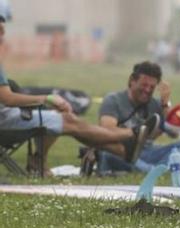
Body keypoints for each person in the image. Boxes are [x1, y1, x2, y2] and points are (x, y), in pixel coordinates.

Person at [0, 13, 153, 174]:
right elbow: (7, 98)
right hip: (5, 122)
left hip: (7, 116)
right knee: (67, 120)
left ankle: (126, 145)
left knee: (63, 119)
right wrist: (47, 98)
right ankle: (129, 137)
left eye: (4, 30)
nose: (3, 36)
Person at [93, 61, 180, 175]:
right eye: (144, 85)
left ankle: (153, 170)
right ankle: (156, 171)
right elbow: (107, 131)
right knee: (109, 153)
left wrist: (165, 104)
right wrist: (135, 133)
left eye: (152, 87)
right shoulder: (113, 100)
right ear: (132, 81)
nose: (147, 90)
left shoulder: (156, 104)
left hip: (147, 152)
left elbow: (174, 133)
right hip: (121, 150)